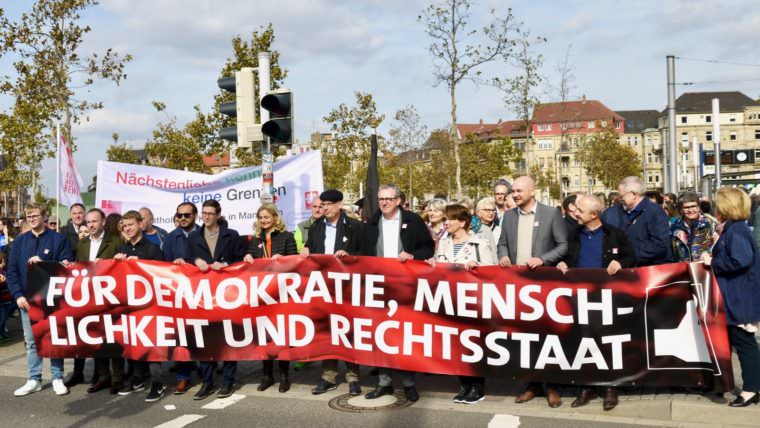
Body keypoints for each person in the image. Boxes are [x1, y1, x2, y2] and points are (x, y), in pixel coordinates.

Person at [556, 195, 637, 411]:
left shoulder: (614, 235)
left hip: (607, 296)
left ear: (594, 215)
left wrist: (619, 263)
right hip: (580, 296)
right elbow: (567, 258)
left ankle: (610, 387)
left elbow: (631, 257)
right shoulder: (574, 235)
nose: (575, 213)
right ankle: (587, 386)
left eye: (580, 210)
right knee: (583, 341)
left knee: (606, 341)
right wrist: (562, 263)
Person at [497, 176, 568, 407]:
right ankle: (533, 384)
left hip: (545, 286)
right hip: (518, 287)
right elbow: (502, 243)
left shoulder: (551, 214)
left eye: (519, 191)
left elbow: (563, 245)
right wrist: (503, 255)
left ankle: (553, 386)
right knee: (525, 338)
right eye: (513, 191)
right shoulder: (508, 216)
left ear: (532, 191)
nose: (515, 194)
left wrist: (543, 259)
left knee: (548, 337)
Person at [362, 184, 435, 402]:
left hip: (406, 287)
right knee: (381, 335)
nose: (384, 203)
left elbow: (428, 248)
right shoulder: (372, 224)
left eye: (388, 199)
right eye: (381, 199)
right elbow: (363, 254)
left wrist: (413, 255)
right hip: (379, 288)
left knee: (404, 336)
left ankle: (409, 383)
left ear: (397, 201)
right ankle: (384, 382)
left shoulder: (413, 221)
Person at [428, 204, 496, 404]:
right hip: (450, 302)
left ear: (463, 222)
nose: (446, 222)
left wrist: (479, 267)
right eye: (446, 219)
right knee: (455, 346)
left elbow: (493, 273)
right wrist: (433, 263)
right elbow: (440, 268)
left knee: (472, 345)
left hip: (473, 303)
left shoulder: (479, 244)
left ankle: (477, 386)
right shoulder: (444, 244)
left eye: (450, 219)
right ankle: (464, 384)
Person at [700, 187, 760, 407]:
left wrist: (712, 263)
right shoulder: (734, 229)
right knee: (743, 343)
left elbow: (740, 260)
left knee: (744, 344)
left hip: (739, 296)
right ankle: (753, 387)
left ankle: (751, 389)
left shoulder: (736, 231)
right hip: (736, 295)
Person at [303, 190, 364, 397]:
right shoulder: (317, 227)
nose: (325, 208)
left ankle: (353, 377)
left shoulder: (354, 227)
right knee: (328, 331)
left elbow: (367, 255)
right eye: (323, 204)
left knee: (348, 331)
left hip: (347, 287)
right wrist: (306, 251)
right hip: (324, 287)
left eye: (329, 204)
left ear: (339, 205)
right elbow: (311, 251)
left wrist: (350, 256)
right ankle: (328, 376)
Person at [7, 203, 73, 397]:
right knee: (31, 341)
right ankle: (34, 378)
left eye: (35, 215)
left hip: (52, 299)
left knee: (54, 337)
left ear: (44, 217)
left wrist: (44, 263)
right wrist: (18, 295)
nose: (32, 218)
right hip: (27, 301)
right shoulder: (20, 242)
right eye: (29, 215)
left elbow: (66, 266)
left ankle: (57, 377)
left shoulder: (58, 239)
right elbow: (12, 271)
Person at [187, 199, 245, 400]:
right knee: (205, 338)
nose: (206, 216)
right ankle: (207, 382)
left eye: (210, 213)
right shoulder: (194, 237)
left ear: (218, 215)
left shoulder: (232, 235)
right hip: (204, 295)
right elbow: (187, 260)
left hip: (228, 293)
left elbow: (240, 260)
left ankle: (228, 382)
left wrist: (227, 264)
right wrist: (196, 261)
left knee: (229, 336)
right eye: (204, 213)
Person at [243, 203, 299, 393]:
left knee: (281, 335)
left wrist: (283, 259)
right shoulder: (256, 238)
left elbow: (296, 262)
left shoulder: (286, 237)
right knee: (263, 335)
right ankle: (267, 375)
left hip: (281, 294)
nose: (264, 221)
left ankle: (284, 375)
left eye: (267, 217)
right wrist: (248, 257)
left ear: (275, 217)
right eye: (261, 218)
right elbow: (252, 260)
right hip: (261, 294)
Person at [68, 208, 123, 394]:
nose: (91, 225)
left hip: (110, 298)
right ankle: (103, 377)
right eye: (88, 222)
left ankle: (117, 378)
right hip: (89, 298)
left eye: (94, 221)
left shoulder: (115, 242)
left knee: (112, 338)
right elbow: (77, 268)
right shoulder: (82, 244)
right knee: (96, 338)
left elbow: (123, 269)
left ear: (103, 222)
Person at [113, 210, 165, 402]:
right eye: (124, 226)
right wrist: (115, 263)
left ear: (140, 225)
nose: (127, 229)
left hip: (150, 306)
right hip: (129, 305)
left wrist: (141, 264)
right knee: (132, 342)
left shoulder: (152, 249)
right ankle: (136, 379)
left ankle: (157, 383)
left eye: (130, 225)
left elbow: (162, 275)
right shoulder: (122, 248)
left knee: (151, 344)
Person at [161, 202, 200, 395]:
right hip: (179, 294)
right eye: (179, 215)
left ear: (195, 216)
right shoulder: (170, 238)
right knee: (181, 335)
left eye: (187, 215)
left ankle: (206, 371)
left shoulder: (204, 234)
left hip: (201, 292)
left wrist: (191, 264)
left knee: (205, 333)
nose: (183, 218)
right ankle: (183, 376)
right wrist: (173, 266)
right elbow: (163, 266)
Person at [601, 177, 672, 266]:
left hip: (649, 269)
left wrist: (628, 257)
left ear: (634, 194)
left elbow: (659, 244)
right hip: (624, 268)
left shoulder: (655, 212)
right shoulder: (614, 212)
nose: (620, 199)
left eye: (622, 196)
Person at [671, 192, 718, 262]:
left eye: (693, 206)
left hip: (705, 266)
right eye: (686, 207)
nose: (690, 210)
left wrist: (708, 254)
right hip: (682, 268)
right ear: (681, 210)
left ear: (699, 207)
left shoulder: (710, 223)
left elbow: (718, 245)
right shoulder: (675, 225)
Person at [0, 251, 12, 343]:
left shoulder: (3, 271)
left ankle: (2, 332)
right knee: (2, 316)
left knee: (4, 316)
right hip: (2, 298)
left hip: (5, 299)